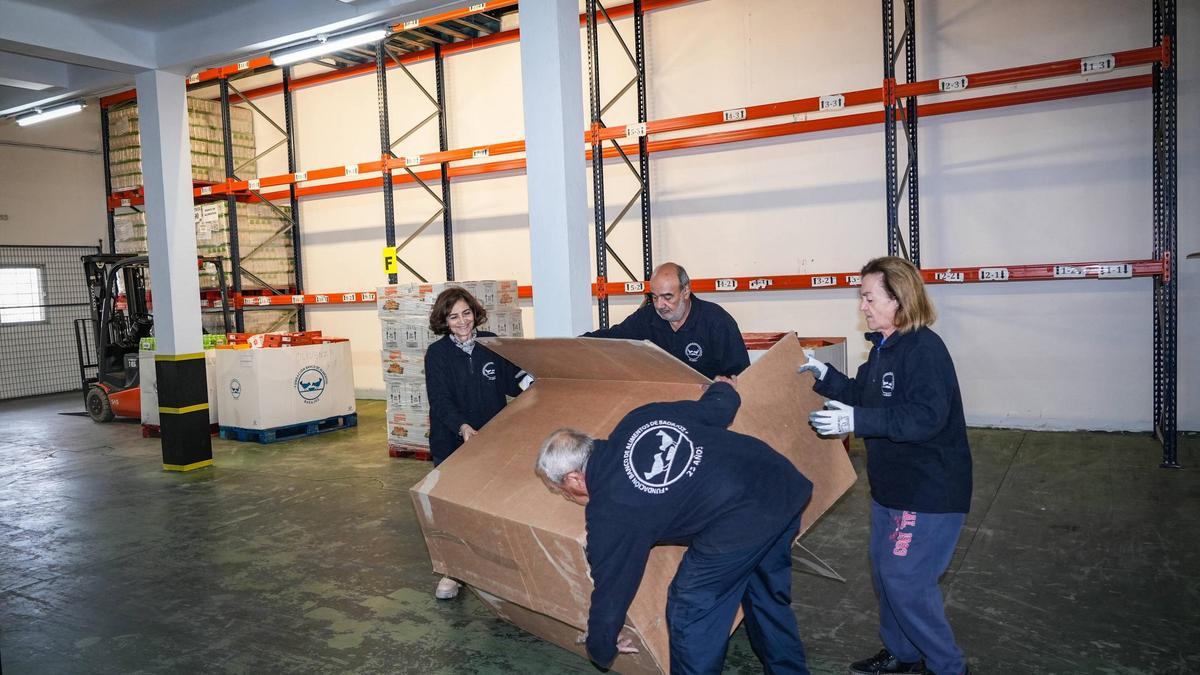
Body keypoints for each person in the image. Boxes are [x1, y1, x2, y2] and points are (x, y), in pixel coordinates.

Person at [535, 378, 813, 674]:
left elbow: (612, 587)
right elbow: (718, 411)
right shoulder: (638, 419)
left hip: (741, 517)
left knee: (690, 607)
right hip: (780, 483)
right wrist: (722, 387)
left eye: (560, 490)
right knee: (764, 593)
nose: (566, 497)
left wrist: (600, 646)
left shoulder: (610, 510)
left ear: (574, 479)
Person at [799, 256, 971, 675]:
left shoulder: (925, 350)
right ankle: (903, 654)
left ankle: (949, 667)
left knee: (905, 579)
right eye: (862, 297)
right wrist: (824, 374)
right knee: (884, 576)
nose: (863, 306)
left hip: (928, 492)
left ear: (899, 299)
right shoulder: (883, 349)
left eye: (869, 297)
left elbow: (924, 417)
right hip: (890, 489)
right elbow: (864, 394)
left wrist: (855, 420)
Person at [425, 286, 524, 600]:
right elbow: (440, 401)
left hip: (492, 442)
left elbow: (513, 379)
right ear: (444, 321)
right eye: (453, 316)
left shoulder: (490, 343)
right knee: (454, 510)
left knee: (490, 508)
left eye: (466, 313)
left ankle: (493, 573)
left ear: (475, 312)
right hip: (452, 443)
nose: (462, 321)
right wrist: (462, 427)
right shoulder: (438, 355)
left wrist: (538, 381)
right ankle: (452, 573)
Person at [583, 262, 749, 379]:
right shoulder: (646, 319)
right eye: (655, 297)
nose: (660, 305)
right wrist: (576, 344)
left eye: (667, 297)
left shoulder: (717, 322)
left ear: (686, 291)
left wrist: (722, 385)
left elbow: (741, 375)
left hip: (705, 405)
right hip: (661, 403)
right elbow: (611, 338)